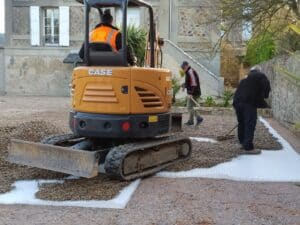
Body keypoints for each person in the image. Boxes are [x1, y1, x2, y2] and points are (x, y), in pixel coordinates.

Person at [233, 66, 271, 154]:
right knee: (250, 123)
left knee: (241, 123)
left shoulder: (245, 78)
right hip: (248, 103)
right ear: (259, 70)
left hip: (237, 102)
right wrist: (264, 96)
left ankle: (242, 142)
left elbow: (241, 90)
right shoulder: (261, 75)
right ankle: (248, 147)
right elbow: (266, 87)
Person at [181, 61, 203, 126]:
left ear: (187, 66)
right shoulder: (188, 72)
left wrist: (190, 93)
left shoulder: (190, 72)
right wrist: (184, 85)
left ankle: (199, 118)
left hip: (194, 93)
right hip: (194, 92)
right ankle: (191, 121)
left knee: (190, 107)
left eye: (184, 67)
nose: (183, 69)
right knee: (192, 107)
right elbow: (190, 82)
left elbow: (194, 84)